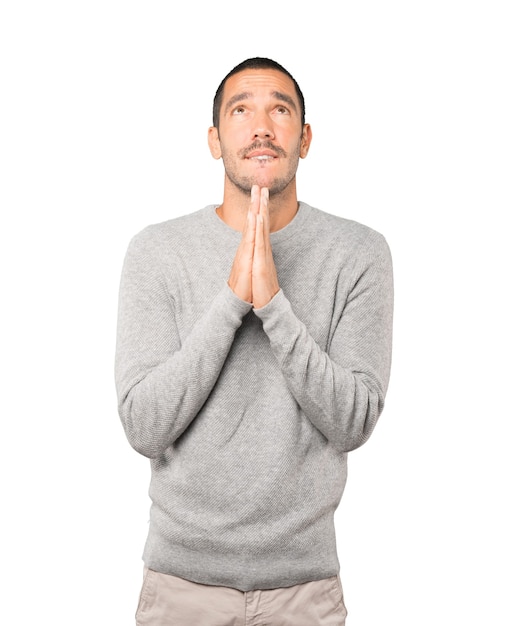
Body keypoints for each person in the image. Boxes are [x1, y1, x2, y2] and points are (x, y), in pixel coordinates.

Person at [115, 57, 394, 626]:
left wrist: (273, 305)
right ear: (215, 141)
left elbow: (354, 421)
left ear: (305, 138)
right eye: (241, 110)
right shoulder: (156, 252)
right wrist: (232, 301)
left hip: (304, 591)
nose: (261, 125)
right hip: (180, 589)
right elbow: (143, 427)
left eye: (280, 109)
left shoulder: (359, 253)